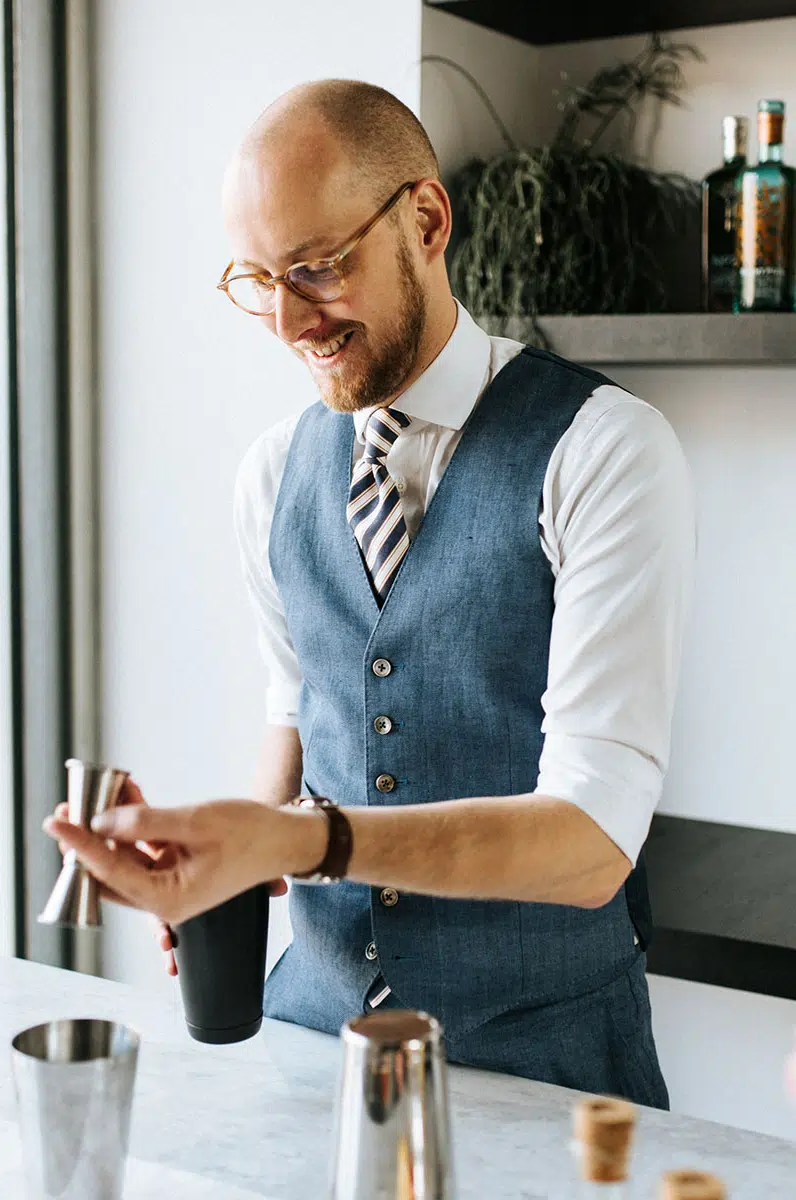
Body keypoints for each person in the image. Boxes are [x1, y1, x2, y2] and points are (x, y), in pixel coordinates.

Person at [45, 79, 696, 1107]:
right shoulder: (270, 472)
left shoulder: (605, 450)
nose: (287, 320)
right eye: (257, 279)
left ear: (426, 221)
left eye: (316, 267)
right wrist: (215, 850)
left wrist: (302, 840)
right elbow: (300, 720)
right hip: (311, 1046)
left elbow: (589, 845)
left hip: (544, 1065)